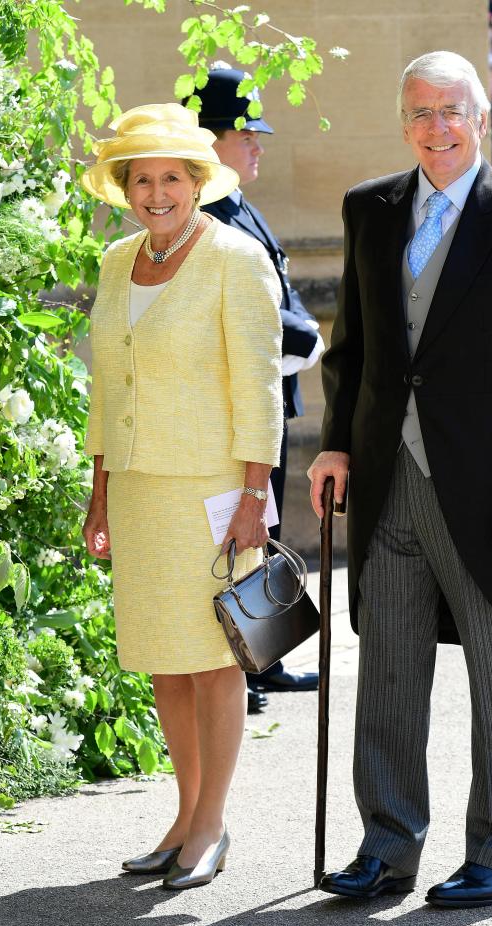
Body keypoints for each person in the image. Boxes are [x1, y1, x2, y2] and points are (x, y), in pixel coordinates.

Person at [308, 50, 492, 909]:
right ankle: (386, 847)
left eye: (451, 111)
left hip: (490, 495)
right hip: (388, 480)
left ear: (480, 118)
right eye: (421, 113)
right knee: (387, 671)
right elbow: (350, 348)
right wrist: (336, 443)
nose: (436, 128)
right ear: (403, 121)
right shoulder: (369, 209)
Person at [81, 103, 284, 890]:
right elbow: (107, 385)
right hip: (136, 488)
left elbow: (260, 386)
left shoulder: (234, 258)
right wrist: (100, 492)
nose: (156, 192)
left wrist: (252, 496)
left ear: (198, 182)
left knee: (213, 660)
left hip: (212, 488)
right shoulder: (116, 260)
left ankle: (211, 825)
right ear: (125, 189)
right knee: (165, 663)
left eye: (172, 177)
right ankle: (183, 813)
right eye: (143, 179)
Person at [190, 65, 322, 704]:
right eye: (247, 136)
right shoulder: (205, 214)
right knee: (235, 534)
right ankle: (232, 668)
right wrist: (301, 337)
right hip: (236, 405)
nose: (260, 145)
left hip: (271, 396)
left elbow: (280, 288)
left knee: (262, 531)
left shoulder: (238, 202)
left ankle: (260, 659)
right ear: (212, 141)